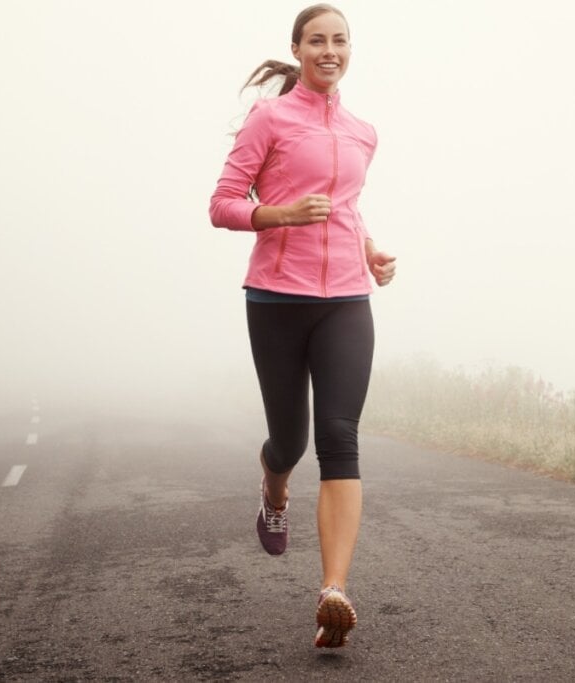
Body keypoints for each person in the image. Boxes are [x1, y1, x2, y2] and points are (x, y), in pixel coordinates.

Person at [209, 3, 396, 649]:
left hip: (346, 296)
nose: (330, 50)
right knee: (288, 439)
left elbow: (346, 204)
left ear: (350, 50)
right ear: (297, 49)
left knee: (339, 434)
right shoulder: (270, 119)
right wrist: (280, 215)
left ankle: (333, 592)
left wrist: (368, 248)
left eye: (340, 41)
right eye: (317, 40)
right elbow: (223, 204)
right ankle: (273, 483)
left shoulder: (363, 130)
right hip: (276, 298)